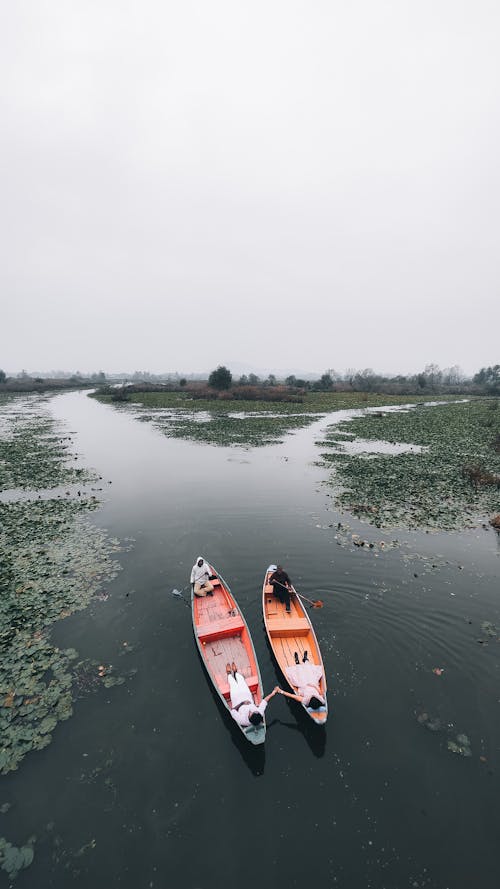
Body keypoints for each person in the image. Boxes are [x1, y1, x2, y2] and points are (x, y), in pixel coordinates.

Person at [226, 662, 279, 727]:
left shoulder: (242, 721)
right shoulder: (259, 712)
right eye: (253, 711)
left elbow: (233, 710)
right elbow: (265, 700)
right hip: (247, 695)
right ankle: (235, 672)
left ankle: (229, 674)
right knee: (242, 681)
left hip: (236, 699)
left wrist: (242, 703)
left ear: (249, 718)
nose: (251, 711)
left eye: (250, 713)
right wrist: (273, 693)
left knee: (233, 684)